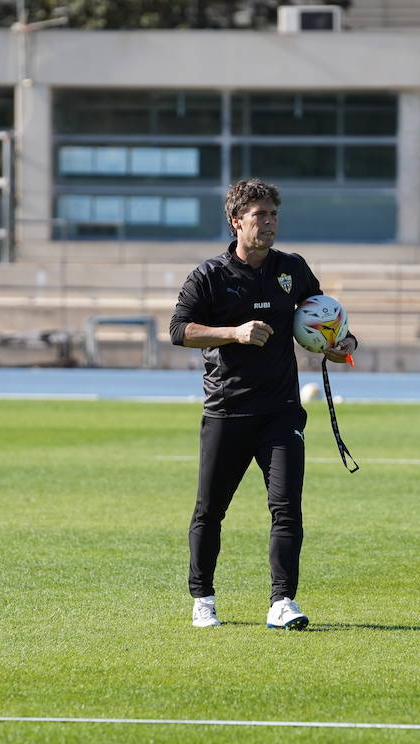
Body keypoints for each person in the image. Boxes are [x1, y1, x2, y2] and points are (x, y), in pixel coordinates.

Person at [169, 178, 355, 631]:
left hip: (281, 411)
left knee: (287, 507)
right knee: (210, 511)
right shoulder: (208, 276)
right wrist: (233, 333)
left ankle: (282, 601)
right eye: (259, 215)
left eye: (273, 214)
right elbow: (179, 330)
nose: (269, 222)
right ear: (236, 222)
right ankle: (203, 599)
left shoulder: (293, 268)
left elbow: (325, 320)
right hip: (227, 410)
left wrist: (340, 344)